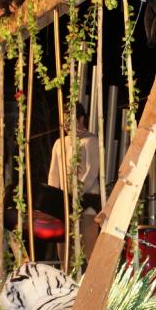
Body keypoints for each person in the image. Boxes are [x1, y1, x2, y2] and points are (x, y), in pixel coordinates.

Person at [48, 102, 101, 263]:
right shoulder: (59, 143)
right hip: (64, 204)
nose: (66, 126)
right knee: (65, 254)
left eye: (70, 121)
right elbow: (54, 174)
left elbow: (91, 173)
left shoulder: (90, 141)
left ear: (81, 119)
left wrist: (75, 195)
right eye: (64, 122)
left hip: (86, 201)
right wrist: (51, 200)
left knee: (89, 251)